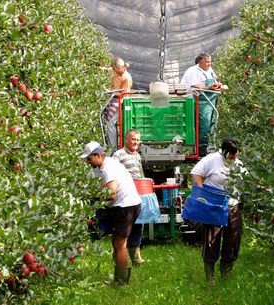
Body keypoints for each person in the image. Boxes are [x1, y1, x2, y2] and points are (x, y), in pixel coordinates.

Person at [80, 141, 141, 285]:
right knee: (117, 242)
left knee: (120, 244)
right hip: (124, 205)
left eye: (89, 158)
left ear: (98, 155)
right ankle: (121, 277)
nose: (87, 161)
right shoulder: (101, 167)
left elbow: (111, 194)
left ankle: (121, 281)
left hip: (126, 206)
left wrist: (91, 195)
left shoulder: (109, 168)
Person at [190, 139, 243, 284]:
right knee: (211, 240)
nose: (234, 158)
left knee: (232, 241)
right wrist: (202, 194)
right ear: (225, 152)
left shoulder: (238, 164)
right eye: (232, 155)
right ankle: (210, 277)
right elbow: (196, 173)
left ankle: (226, 274)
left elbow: (247, 181)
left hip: (233, 206)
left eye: (236, 155)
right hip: (214, 207)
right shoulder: (212, 159)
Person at [112, 129, 160, 266]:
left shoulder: (137, 155)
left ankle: (135, 257)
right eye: (134, 139)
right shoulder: (118, 155)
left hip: (138, 195)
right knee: (124, 227)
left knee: (139, 224)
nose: (136, 142)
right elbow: (113, 175)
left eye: (138, 140)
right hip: (125, 197)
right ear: (126, 140)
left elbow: (139, 174)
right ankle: (119, 256)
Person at [180, 53, 228, 156]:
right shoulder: (193, 71)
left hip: (210, 101)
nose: (208, 64)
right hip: (200, 101)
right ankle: (201, 149)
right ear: (199, 62)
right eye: (206, 62)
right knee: (204, 126)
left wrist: (219, 85)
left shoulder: (209, 70)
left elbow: (214, 82)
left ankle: (209, 147)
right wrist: (209, 88)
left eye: (210, 62)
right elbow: (194, 86)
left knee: (212, 124)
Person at [104, 57, 133, 150]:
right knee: (103, 118)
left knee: (111, 122)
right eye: (115, 69)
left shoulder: (127, 78)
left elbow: (124, 94)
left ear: (122, 68)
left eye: (117, 69)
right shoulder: (115, 71)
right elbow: (107, 70)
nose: (116, 71)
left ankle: (113, 148)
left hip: (120, 100)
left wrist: (110, 91)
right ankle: (107, 144)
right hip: (112, 98)